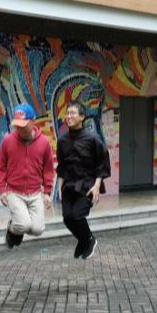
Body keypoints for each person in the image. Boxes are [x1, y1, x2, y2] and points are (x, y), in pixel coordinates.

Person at [0, 104, 55, 248]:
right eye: (17, 125)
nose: (19, 129)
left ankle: (15, 226)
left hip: (35, 192)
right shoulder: (8, 141)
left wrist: (47, 192)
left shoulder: (44, 142)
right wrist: (2, 190)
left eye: (23, 125)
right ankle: (13, 229)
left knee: (38, 230)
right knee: (23, 225)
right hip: (14, 192)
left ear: (33, 121)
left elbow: (48, 169)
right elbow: (1, 167)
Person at [56, 102, 111, 259]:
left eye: (73, 113)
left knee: (77, 215)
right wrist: (59, 187)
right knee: (67, 219)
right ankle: (83, 240)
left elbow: (102, 163)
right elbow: (62, 165)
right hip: (68, 185)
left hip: (87, 185)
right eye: (67, 113)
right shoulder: (62, 140)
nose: (69, 116)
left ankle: (89, 239)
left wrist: (97, 185)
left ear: (82, 117)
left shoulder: (93, 139)